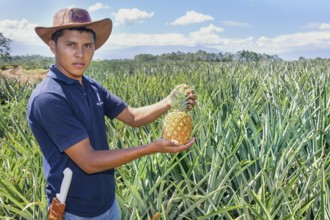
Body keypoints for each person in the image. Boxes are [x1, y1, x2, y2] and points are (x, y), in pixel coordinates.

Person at [27, 8, 197, 219]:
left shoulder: (91, 86)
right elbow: (89, 161)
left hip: (107, 203)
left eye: (87, 45)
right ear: (53, 46)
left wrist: (169, 101)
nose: (81, 53)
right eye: (71, 45)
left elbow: (133, 117)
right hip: (76, 211)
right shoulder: (49, 98)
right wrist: (152, 148)